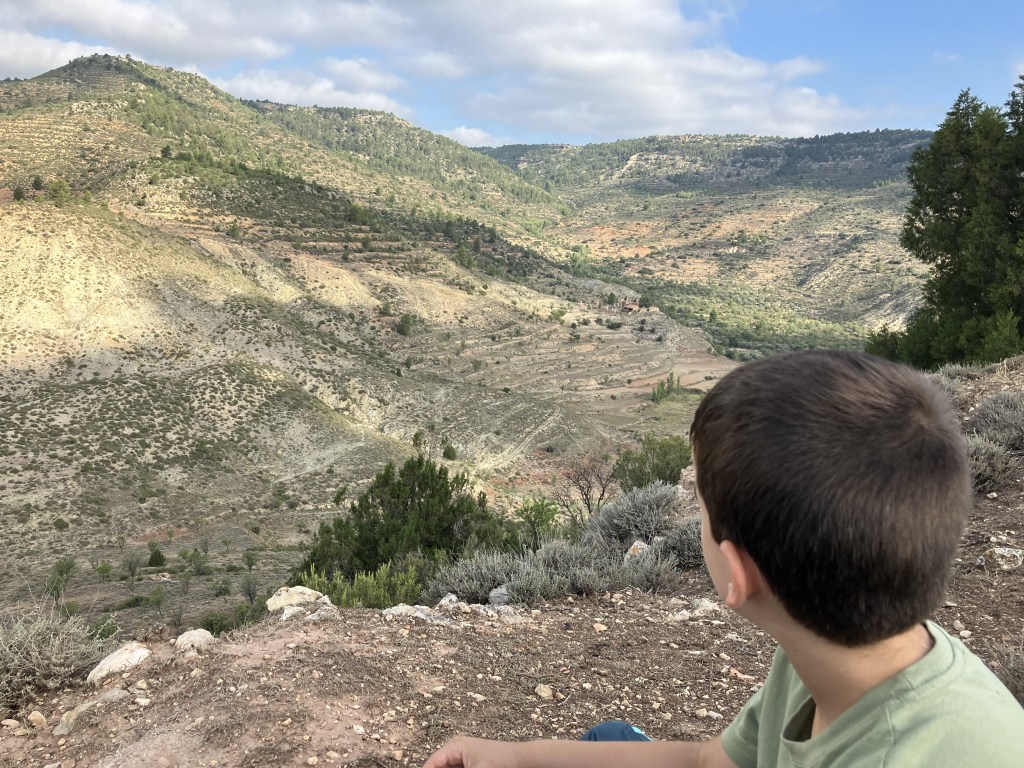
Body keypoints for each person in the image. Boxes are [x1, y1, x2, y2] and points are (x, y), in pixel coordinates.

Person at [423, 350, 1024, 768]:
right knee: (610, 741)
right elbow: (712, 759)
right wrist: (511, 755)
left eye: (702, 512)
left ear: (738, 574)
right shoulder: (840, 650)